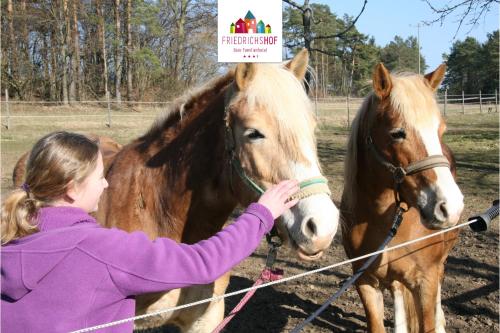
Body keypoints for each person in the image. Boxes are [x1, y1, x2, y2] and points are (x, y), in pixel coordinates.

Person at [1, 131, 299, 333]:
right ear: (71, 189)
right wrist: (261, 214)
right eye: (98, 178)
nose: (106, 184)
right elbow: (203, 262)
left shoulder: (9, 239)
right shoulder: (101, 250)